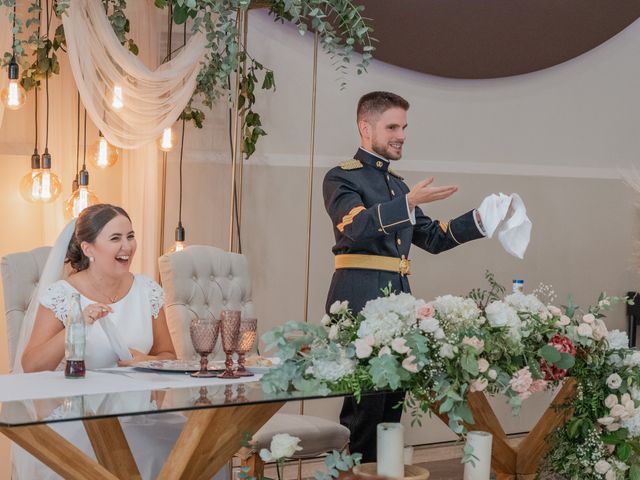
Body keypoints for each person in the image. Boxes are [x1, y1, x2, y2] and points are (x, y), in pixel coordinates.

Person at [323, 91, 487, 461]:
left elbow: (432, 237)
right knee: (365, 407)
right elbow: (357, 227)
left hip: (398, 301)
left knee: (392, 406)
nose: (401, 135)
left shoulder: (398, 185)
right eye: (392, 126)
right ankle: (359, 472)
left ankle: (382, 472)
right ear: (366, 128)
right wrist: (408, 204)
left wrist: (481, 220)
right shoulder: (341, 178)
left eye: (404, 127)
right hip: (359, 299)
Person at [12, 204, 226, 480]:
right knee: (143, 456)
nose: (127, 246)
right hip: (80, 417)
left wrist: (144, 361)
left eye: (130, 236)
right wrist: (77, 324)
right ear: (88, 248)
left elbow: (168, 355)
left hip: (139, 413)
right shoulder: (63, 294)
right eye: (115, 238)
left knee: (205, 453)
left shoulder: (147, 289)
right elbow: (32, 365)